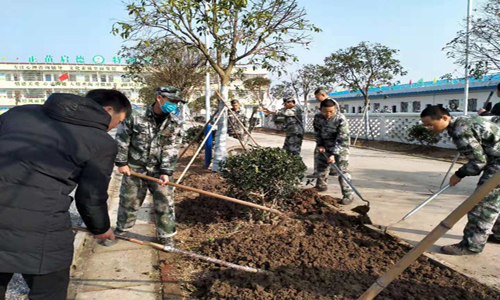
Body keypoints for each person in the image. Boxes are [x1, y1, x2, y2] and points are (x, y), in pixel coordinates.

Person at [0, 90, 131, 300]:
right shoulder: (101, 142)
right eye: (119, 121)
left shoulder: (19, 113)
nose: (116, 126)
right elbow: (90, 198)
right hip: (41, 229)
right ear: (107, 110)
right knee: (48, 291)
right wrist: (101, 229)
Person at [420, 105, 500, 255]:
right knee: (495, 199)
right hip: (496, 157)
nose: (429, 128)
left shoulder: (460, 130)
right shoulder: (466, 121)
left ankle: (471, 245)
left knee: (482, 203)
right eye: (426, 126)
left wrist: (459, 174)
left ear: (444, 118)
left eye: (430, 124)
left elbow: (478, 163)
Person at [114, 86, 185, 247]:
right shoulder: (135, 116)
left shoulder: (175, 121)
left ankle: (166, 235)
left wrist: (166, 171)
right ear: (159, 98)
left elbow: (172, 147)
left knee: (164, 202)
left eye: (176, 102)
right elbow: (122, 139)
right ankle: (123, 229)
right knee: (129, 200)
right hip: (134, 168)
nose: (174, 105)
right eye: (171, 101)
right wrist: (122, 163)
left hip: (159, 169)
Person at [313, 99, 354, 205]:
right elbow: (317, 132)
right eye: (325, 111)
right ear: (320, 110)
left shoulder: (340, 118)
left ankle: (348, 194)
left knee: (342, 170)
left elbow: (342, 138)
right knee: (321, 166)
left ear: (335, 109)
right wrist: (320, 144)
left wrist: (334, 155)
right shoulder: (318, 118)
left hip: (341, 147)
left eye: (331, 111)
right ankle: (321, 186)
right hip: (325, 146)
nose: (328, 114)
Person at [307, 89, 336, 178]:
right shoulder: (326, 103)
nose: (317, 99)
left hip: (330, 134)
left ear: (322, 95)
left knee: (319, 153)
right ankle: (333, 170)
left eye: (317, 97)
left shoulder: (331, 103)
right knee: (328, 152)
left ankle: (318, 173)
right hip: (325, 134)